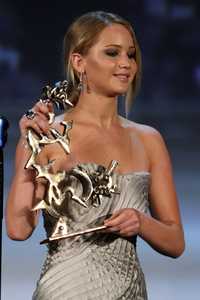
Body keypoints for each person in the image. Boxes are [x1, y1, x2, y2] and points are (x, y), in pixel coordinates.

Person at [6, 11, 185, 300]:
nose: (125, 64)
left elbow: (175, 242)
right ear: (79, 62)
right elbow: (18, 229)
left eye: (131, 54)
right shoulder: (48, 136)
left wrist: (141, 222)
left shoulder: (149, 140)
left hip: (129, 292)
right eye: (112, 53)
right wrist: (30, 147)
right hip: (64, 290)